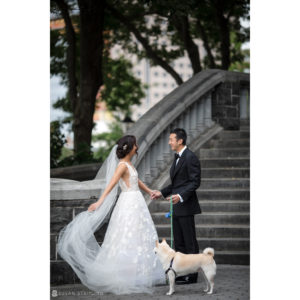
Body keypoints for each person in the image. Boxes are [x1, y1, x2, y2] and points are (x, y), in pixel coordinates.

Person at [57, 135, 166, 295]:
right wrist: (99, 202)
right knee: (127, 237)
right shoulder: (122, 165)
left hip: (137, 202)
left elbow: (137, 180)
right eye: (135, 144)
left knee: (139, 236)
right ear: (129, 147)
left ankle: (138, 274)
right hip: (128, 203)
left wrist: (150, 191)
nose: (137, 146)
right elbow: (111, 184)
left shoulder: (129, 164)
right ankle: (126, 276)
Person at [151, 128, 202, 285]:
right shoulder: (178, 157)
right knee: (179, 242)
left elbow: (195, 182)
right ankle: (181, 272)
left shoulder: (190, 157)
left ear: (180, 141)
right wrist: (161, 192)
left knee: (189, 242)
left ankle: (192, 275)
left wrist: (180, 196)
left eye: (171, 139)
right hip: (176, 207)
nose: (169, 142)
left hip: (186, 206)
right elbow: (176, 184)